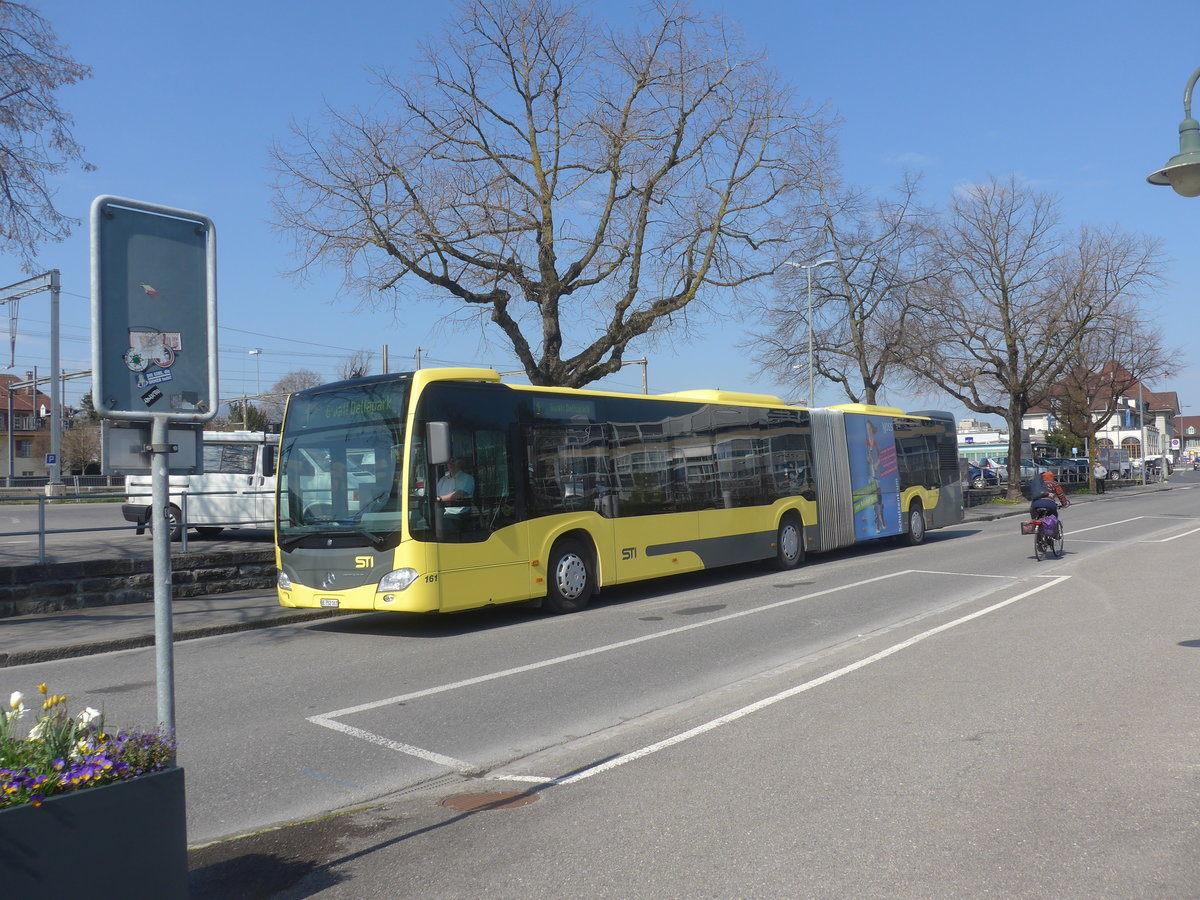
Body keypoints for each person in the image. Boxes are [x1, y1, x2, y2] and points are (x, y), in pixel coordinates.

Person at [437, 457, 475, 529]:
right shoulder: (443, 479)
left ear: (460, 463)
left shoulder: (467, 478)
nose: (450, 464)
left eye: (453, 461)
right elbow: (435, 494)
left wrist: (440, 498)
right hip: (442, 513)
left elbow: (459, 494)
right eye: (449, 462)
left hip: (458, 515)